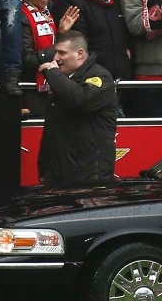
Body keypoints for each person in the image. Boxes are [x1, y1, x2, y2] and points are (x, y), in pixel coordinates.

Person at [36, 30, 120, 189]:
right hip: (58, 171)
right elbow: (51, 129)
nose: (56, 58)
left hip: (88, 173)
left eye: (62, 53)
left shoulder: (101, 77)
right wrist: (44, 167)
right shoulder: (63, 81)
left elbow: (80, 100)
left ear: (80, 54)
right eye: (56, 53)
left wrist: (53, 73)